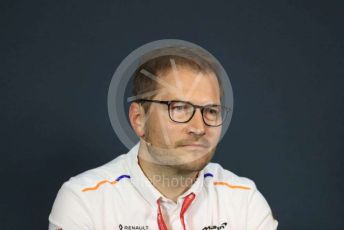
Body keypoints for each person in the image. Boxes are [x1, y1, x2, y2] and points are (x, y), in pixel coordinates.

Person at [49, 47, 278, 230]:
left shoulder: (244, 200)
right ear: (139, 119)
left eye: (210, 111)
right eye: (179, 108)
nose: (199, 127)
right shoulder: (84, 201)